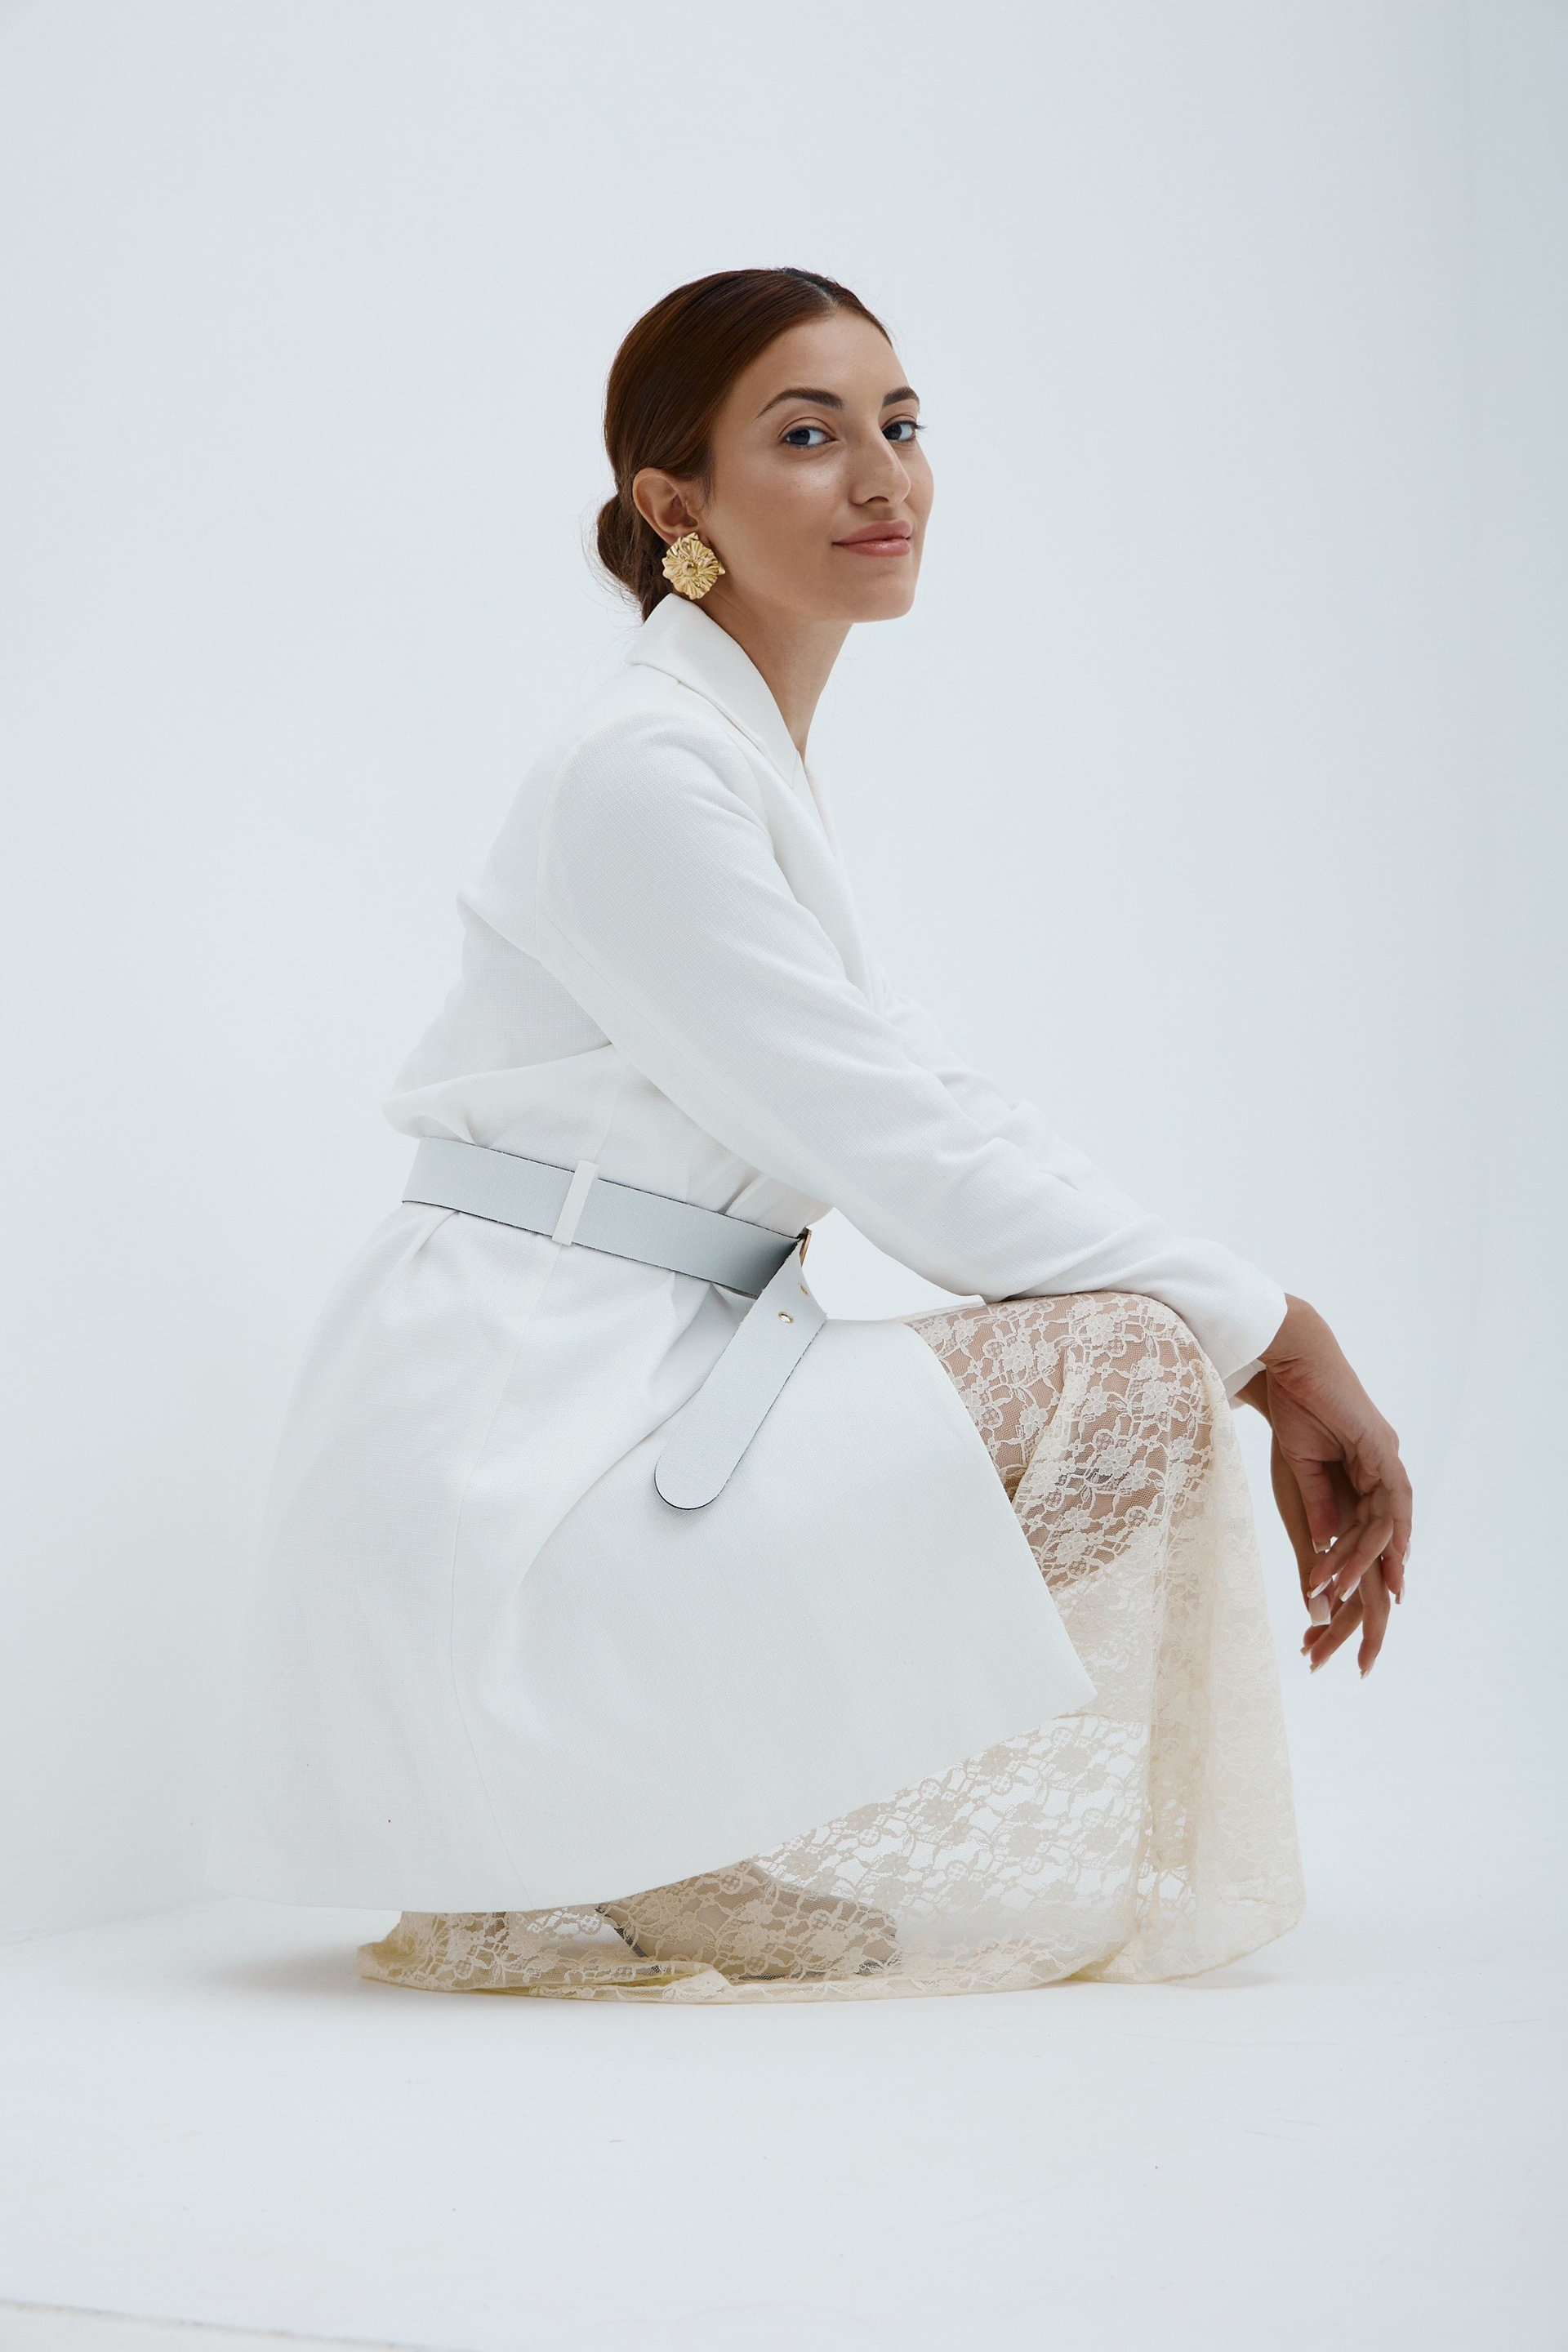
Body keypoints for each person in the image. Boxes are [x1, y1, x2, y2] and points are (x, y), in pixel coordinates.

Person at [209, 268, 1412, 2002]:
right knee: (1134, 1372)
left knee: (1143, 1365)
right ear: (673, 505)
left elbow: (933, 1097)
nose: (881, 475)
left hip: (630, 1397)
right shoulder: (643, 771)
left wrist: (1264, 1328)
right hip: (515, 1451)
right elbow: (901, 1149)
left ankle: (640, 1824)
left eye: (901, 425)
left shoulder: (720, 751)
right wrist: (1277, 1340)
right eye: (806, 435)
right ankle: (571, 1820)